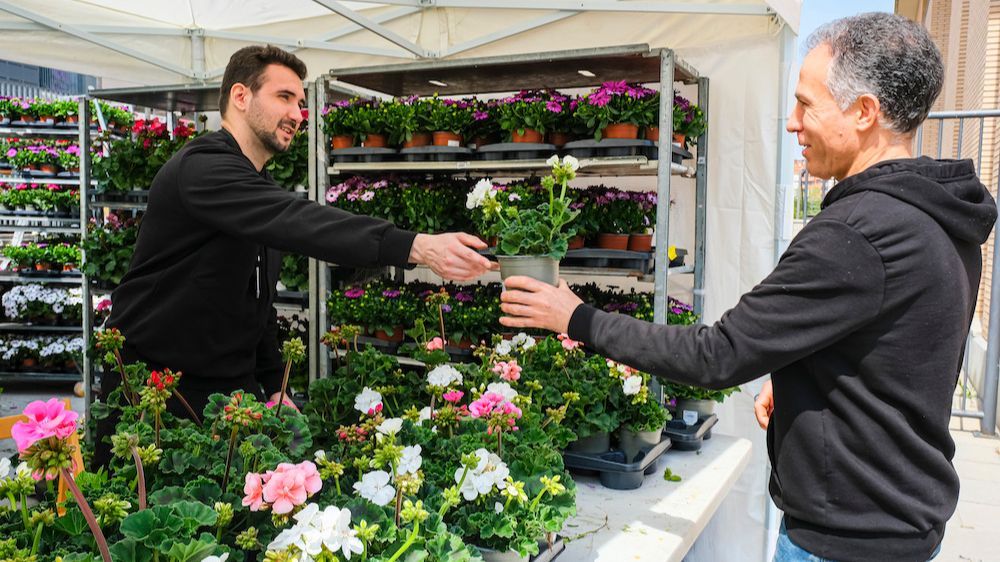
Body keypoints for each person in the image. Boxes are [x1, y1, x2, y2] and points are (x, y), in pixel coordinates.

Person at [499, 13, 996, 562]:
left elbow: (715, 356)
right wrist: (806, 372)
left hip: (845, 541)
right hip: (902, 522)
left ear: (863, 113)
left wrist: (575, 317)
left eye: (806, 104)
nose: (791, 122)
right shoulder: (942, 218)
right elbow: (907, 353)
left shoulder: (857, 233)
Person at [97, 45, 494, 459]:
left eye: (302, 104)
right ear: (240, 97)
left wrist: (273, 386)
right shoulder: (203, 170)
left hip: (223, 390)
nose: (298, 115)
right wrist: (415, 246)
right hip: (153, 392)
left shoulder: (254, 188)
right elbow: (300, 220)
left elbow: (255, 297)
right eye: (284, 97)